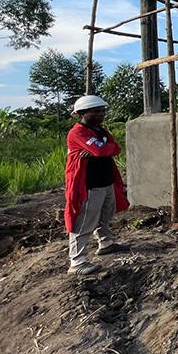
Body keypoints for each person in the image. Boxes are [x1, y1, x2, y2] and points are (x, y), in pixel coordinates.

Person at [64, 95, 130, 275]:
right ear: (83, 113)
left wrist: (100, 150)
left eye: (102, 110)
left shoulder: (99, 131)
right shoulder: (77, 133)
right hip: (89, 184)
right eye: (97, 111)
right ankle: (77, 261)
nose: (102, 114)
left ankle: (105, 243)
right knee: (85, 220)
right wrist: (100, 150)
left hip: (105, 180)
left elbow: (115, 148)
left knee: (105, 213)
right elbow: (101, 149)